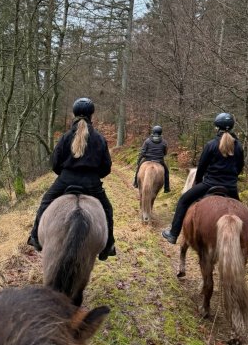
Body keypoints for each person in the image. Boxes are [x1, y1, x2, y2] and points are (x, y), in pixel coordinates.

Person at [27, 97, 116, 260]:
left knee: (46, 202)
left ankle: (35, 238)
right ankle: (108, 246)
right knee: (107, 209)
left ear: (74, 114)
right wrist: (95, 175)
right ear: (91, 115)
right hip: (91, 182)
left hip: (66, 179)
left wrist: (65, 174)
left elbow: (55, 164)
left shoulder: (65, 137)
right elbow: (106, 167)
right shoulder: (99, 138)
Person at [162, 112, 244, 244]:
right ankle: (242, 243)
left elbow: (201, 167)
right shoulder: (239, 146)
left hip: (209, 184)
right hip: (231, 188)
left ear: (217, 127)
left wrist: (199, 181)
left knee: (183, 201)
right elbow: (240, 167)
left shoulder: (211, 144)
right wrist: (231, 179)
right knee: (242, 213)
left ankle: (173, 234)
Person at [133, 125, 170, 193]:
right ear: (160, 132)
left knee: (138, 168)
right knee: (166, 172)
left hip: (147, 159)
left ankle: (135, 183)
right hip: (159, 160)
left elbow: (143, 152)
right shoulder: (164, 142)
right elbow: (165, 153)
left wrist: (139, 161)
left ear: (153, 132)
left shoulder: (147, 141)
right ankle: (167, 188)